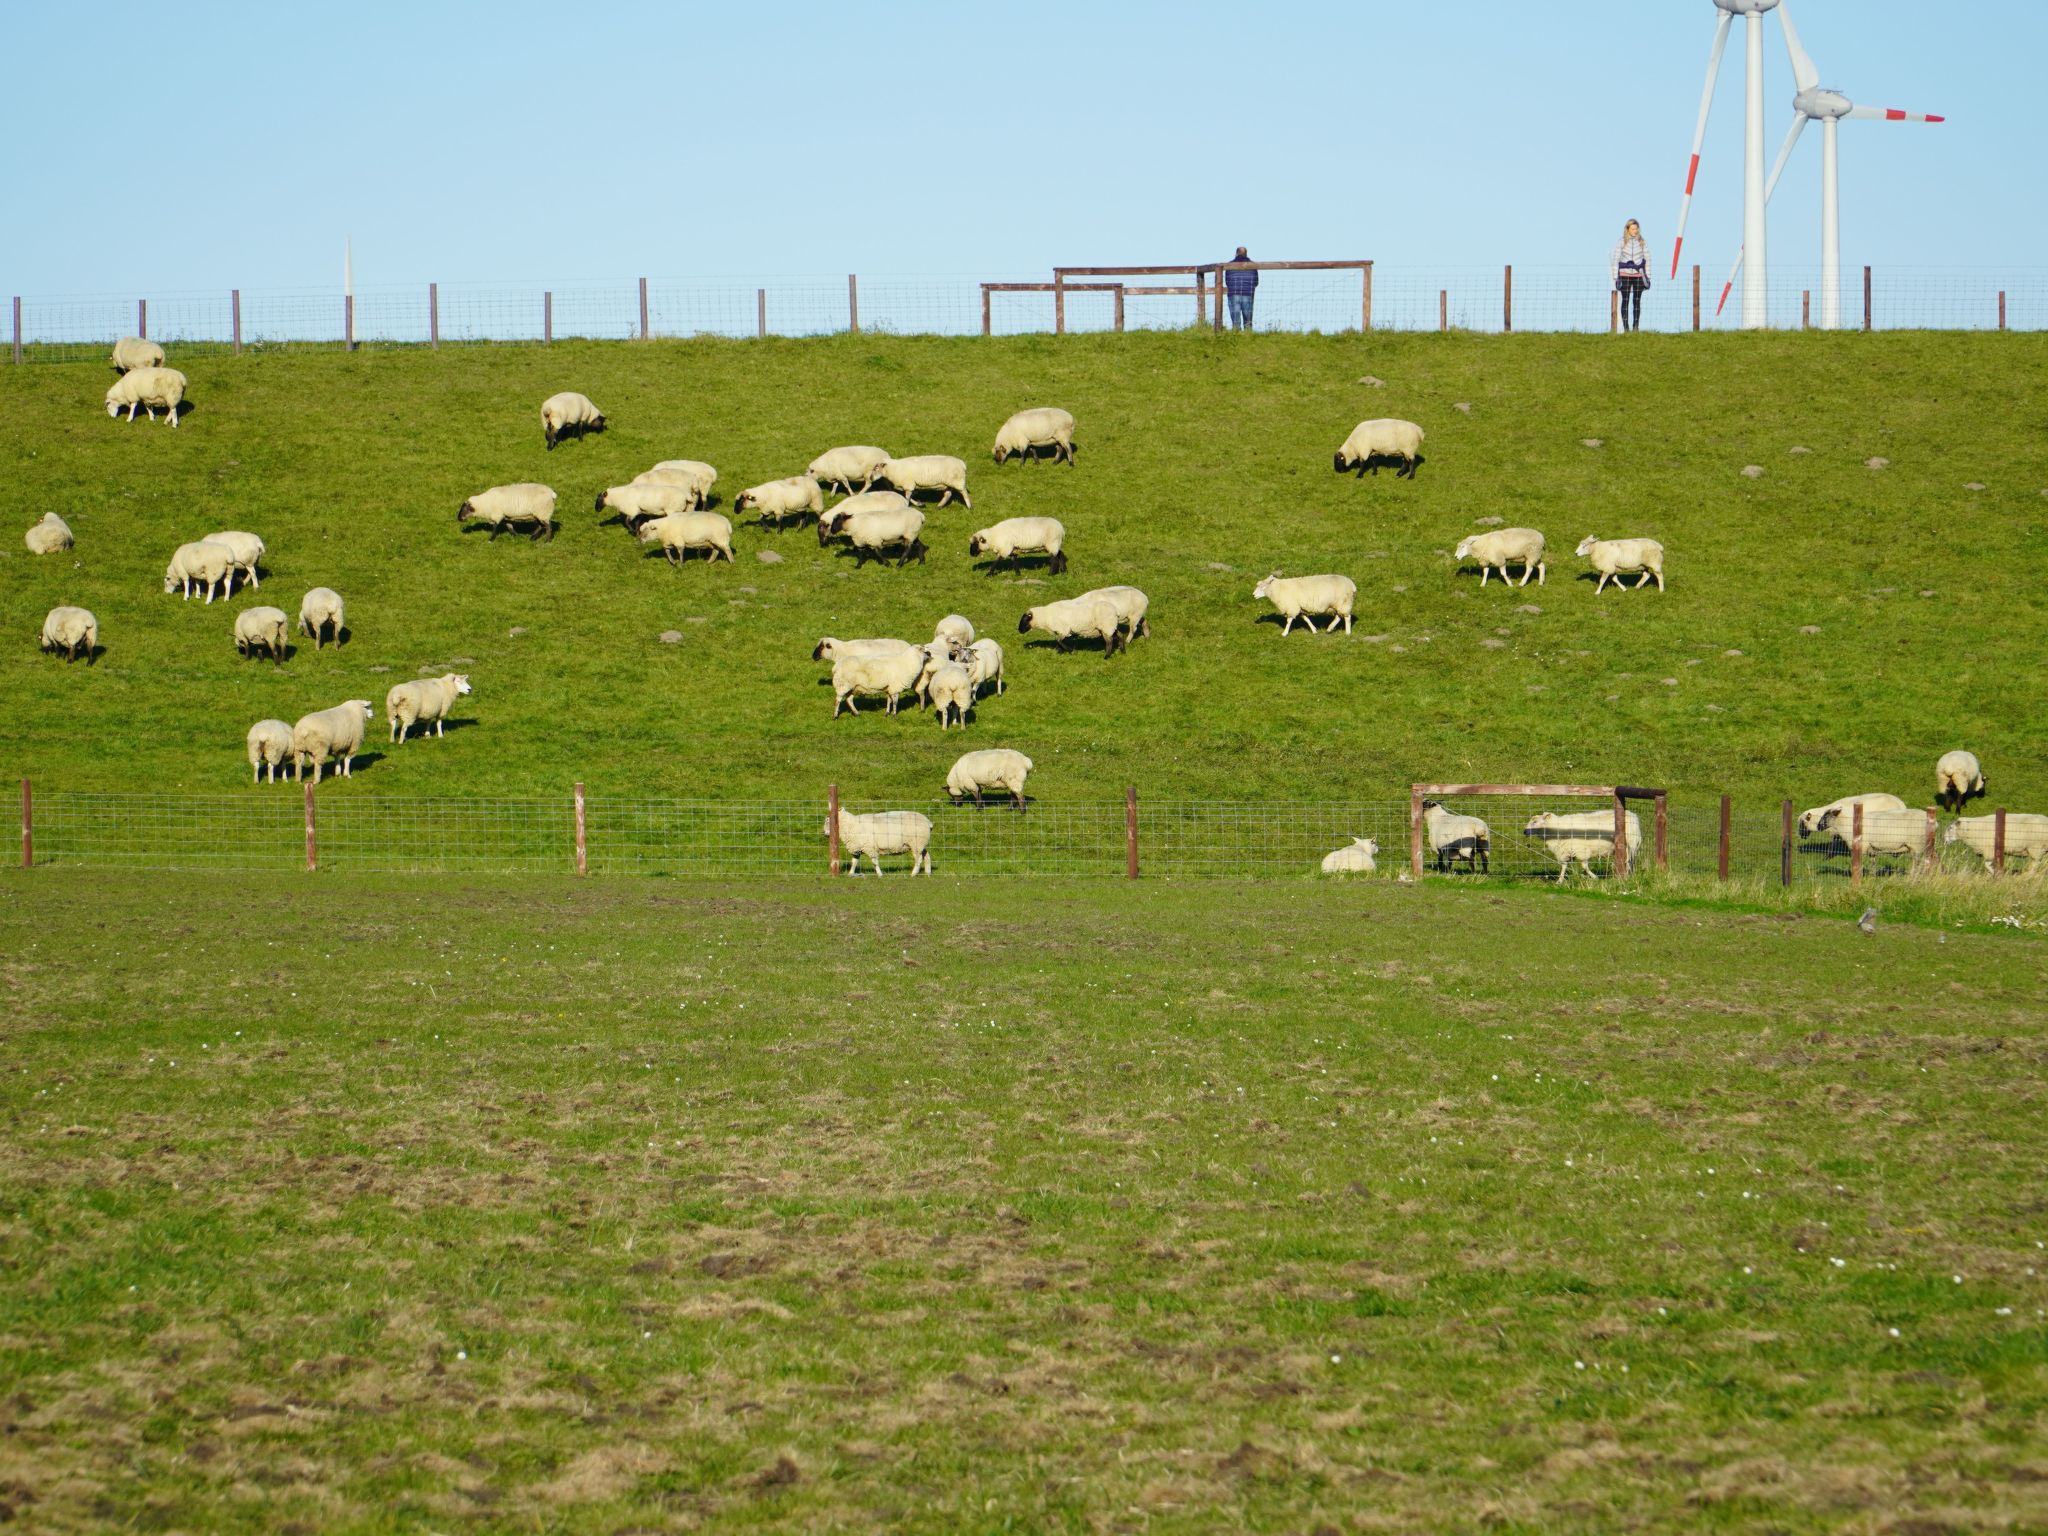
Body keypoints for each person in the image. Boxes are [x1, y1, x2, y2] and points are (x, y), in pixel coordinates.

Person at [1611, 219, 1650, 332]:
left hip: (1638, 275)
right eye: (1633, 229)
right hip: (1625, 274)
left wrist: (1648, 276)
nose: (1635, 231)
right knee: (1625, 300)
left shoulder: (1642, 242)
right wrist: (1615, 277)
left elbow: (1648, 259)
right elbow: (1616, 259)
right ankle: (1626, 328)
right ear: (1627, 229)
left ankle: (1636, 327)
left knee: (1637, 300)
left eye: (1636, 229)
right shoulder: (1621, 242)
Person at [1224, 246, 1258, 331]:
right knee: (1248, 320)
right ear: (1246, 254)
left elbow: (1227, 281)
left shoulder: (1230, 265)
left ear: (1236, 254)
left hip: (1233, 293)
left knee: (1235, 320)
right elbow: (1256, 281)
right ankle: (1248, 335)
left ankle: (1236, 334)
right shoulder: (1252, 265)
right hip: (1248, 293)